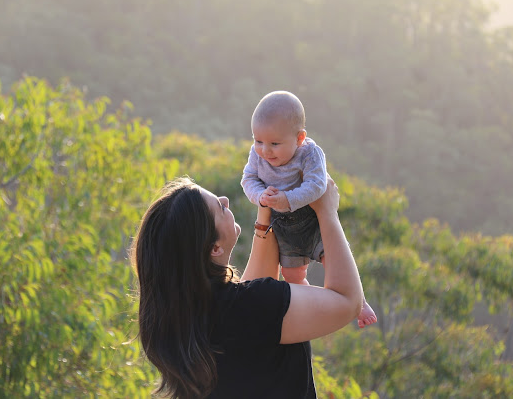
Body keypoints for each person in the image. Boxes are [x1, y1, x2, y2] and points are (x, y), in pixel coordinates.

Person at [131, 175, 365, 398]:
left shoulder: (191, 317)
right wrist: (327, 212)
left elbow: (255, 309)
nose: (225, 201)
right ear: (214, 249)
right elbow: (347, 301)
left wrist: (266, 219)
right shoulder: (247, 306)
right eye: (220, 208)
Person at [241, 90, 377, 328]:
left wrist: (288, 199)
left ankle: (359, 301)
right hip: (284, 228)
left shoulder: (310, 153)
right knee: (293, 276)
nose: (265, 150)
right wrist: (260, 196)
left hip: (312, 220)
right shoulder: (258, 154)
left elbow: (317, 185)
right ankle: (312, 307)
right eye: (258, 141)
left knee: (332, 260)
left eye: (274, 143)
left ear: (300, 138)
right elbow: (248, 179)